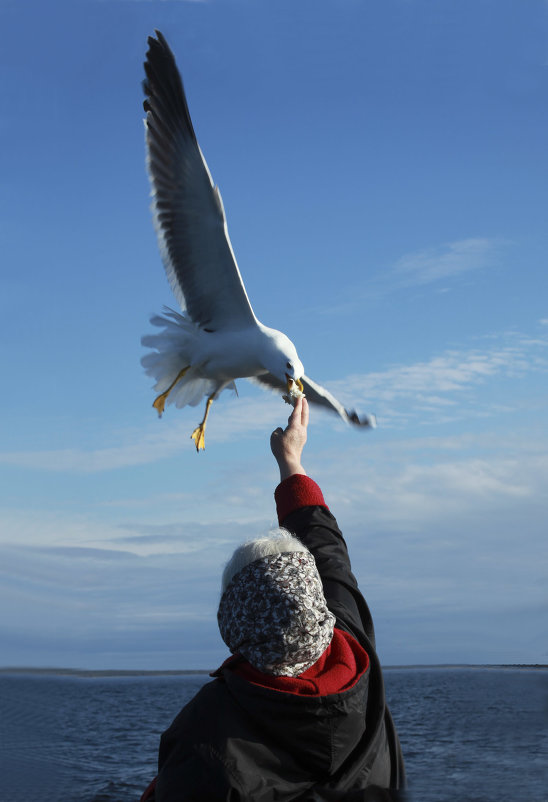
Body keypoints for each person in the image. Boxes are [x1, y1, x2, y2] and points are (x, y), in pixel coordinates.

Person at [141, 398, 406, 801]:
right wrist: (291, 461)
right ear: (315, 595)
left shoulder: (208, 733)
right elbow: (326, 547)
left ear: (232, 625)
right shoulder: (356, 657)